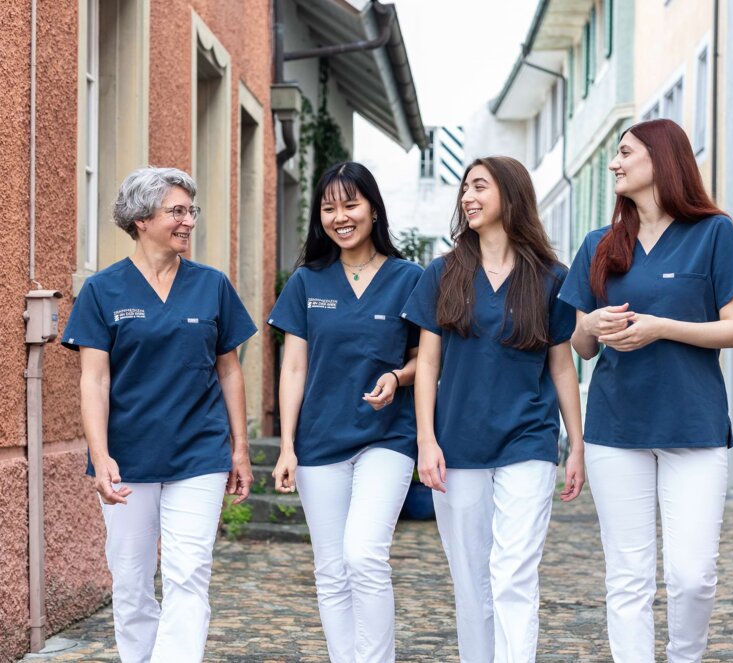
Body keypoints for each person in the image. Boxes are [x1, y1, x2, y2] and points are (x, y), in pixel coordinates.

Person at [558, 118, 733, 663]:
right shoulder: (598, 245)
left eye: (625, 152)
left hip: (692, 426)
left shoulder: (714, 234)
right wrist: (593, 324)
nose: (614, 163)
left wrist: (660, 327)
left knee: (692, 575)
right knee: (627, 575)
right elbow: (580, 345)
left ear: (662, 159)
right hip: (615, 428)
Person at [62, 167, 257, 663]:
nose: (189, 220)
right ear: (141, 218)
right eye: (177, 211)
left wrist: (239, 448)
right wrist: (100, 455)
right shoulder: (103, 291)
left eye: (191, 210)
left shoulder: (212, 285)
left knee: (189, 573)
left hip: (200, 452)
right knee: (130, 580)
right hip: (128, 456)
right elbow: (94, 380)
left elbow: (229, 371)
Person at [401, 156, 585, 663]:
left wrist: (576, 446)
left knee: (513, 575)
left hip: (528, 440)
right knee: (471, 583)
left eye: (479, 186)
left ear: (511, 193)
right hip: (457, 445)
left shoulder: (550, 277)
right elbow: (428, 364)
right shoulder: (443, 273)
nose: (467, 197)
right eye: (464, 188)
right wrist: (426, 441)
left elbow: (562, 367)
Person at [267, 161, 422, 663]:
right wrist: (287, 446)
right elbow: (293, 368)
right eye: (329, 207)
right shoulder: (307, 282)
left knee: (364, 555)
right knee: (331, 570)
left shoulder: (410, 279)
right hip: (319, 441)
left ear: (373, 209)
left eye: (350, 204)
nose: (340, 216)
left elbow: (429, 359)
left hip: (387, 437)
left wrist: (397, 377)